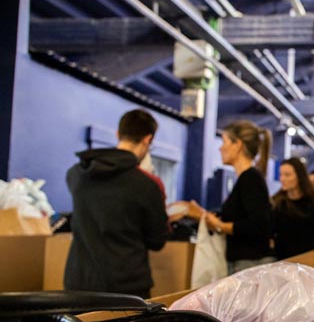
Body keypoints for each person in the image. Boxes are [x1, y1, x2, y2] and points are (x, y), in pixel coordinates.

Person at [64, 109, 168, 298]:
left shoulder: (76, 175)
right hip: (127, 289)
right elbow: (157, 241)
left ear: (118, 134)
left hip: (78, 284)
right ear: (148, 139)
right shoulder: (147, 185)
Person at [174, 120, 274, 274]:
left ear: (238, 145)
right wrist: (201, 214)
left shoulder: (251, 179)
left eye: (224, 142)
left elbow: (258, 225)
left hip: (250, 266)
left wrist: (219, 226)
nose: (220, 148)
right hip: (244, 264)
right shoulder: (245, 179)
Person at [271, 158, 314, 259]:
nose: (282, 179)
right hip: (282, 263)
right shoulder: (277, 203)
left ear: (299, 176)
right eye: (281, 174)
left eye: (287, 175)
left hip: (309, 263)